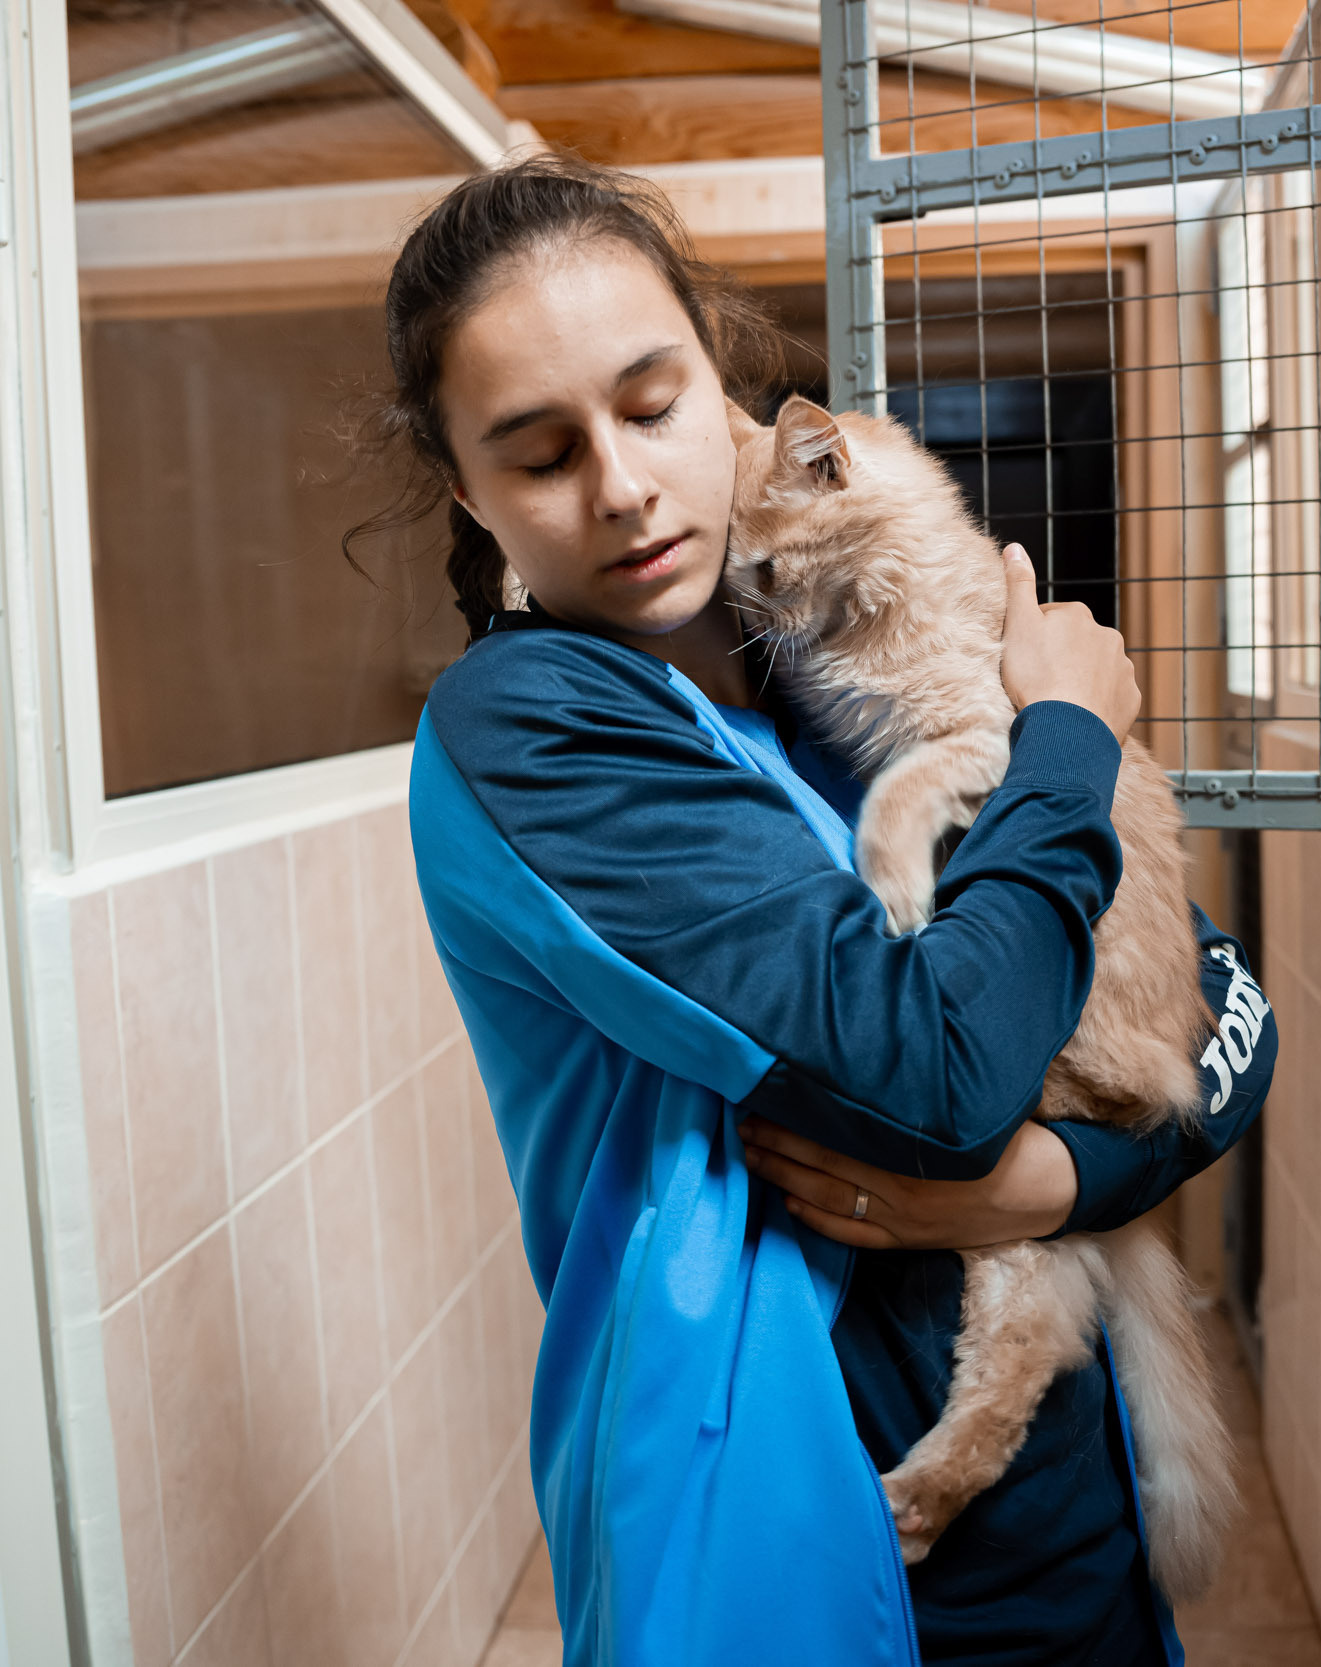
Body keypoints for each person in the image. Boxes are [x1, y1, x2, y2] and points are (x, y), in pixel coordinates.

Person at [384, 154, 1275, 1667]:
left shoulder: (809, 642)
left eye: (652, 403)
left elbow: (1213, 1007)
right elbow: (939, 1072)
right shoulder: (540, 727)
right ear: (469, 491)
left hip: (1058, 1497)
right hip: (820, 1543)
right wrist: (1068, 731)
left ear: (724, 391)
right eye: (539, 454)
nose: (619, 484)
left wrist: (1051, 1185)